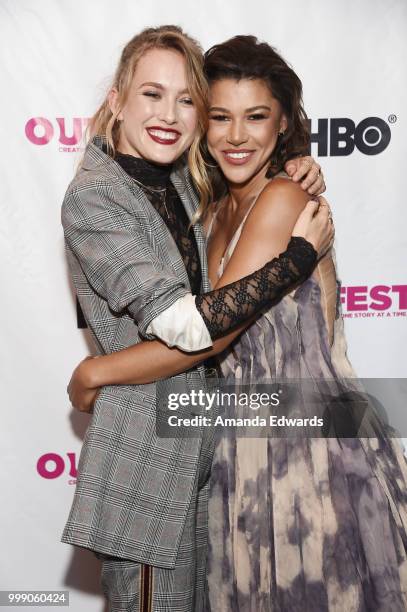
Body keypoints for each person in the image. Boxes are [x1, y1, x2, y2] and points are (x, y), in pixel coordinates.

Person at [68, 33, 407, 612]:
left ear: (283, 124)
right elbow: (191, 319)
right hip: (233, 449)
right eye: (220, 116)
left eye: (256, 117)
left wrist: (95, 371)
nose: (236, 134)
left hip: (306, 455)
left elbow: (211, 333)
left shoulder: (277, 197)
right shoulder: (202, 197)